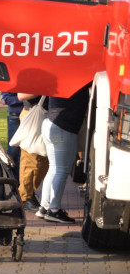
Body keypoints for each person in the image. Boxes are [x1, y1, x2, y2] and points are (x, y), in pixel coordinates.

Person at [38, 83, 90, 224]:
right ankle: (54, 210)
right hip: (64, 127)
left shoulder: (62, 78)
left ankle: (45, 206)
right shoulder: (79, 79)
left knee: (54, 168)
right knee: (61, 170)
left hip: (51, 123)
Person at [16, 93, 48, 213]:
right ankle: (25, 196)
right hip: (34, 114)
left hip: (44, 114)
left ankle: (28, 194)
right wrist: (49, 88)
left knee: (43, 162)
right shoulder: (34, 74)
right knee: (31, 159)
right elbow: (22, 95)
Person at [0, 90, 23, 175]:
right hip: (16, 116)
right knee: (14, 151)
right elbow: (5, 99)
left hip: (33, 115)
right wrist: (22, 98)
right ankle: (12, 181)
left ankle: (22, 183)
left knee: (29, 154)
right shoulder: (13, 79)